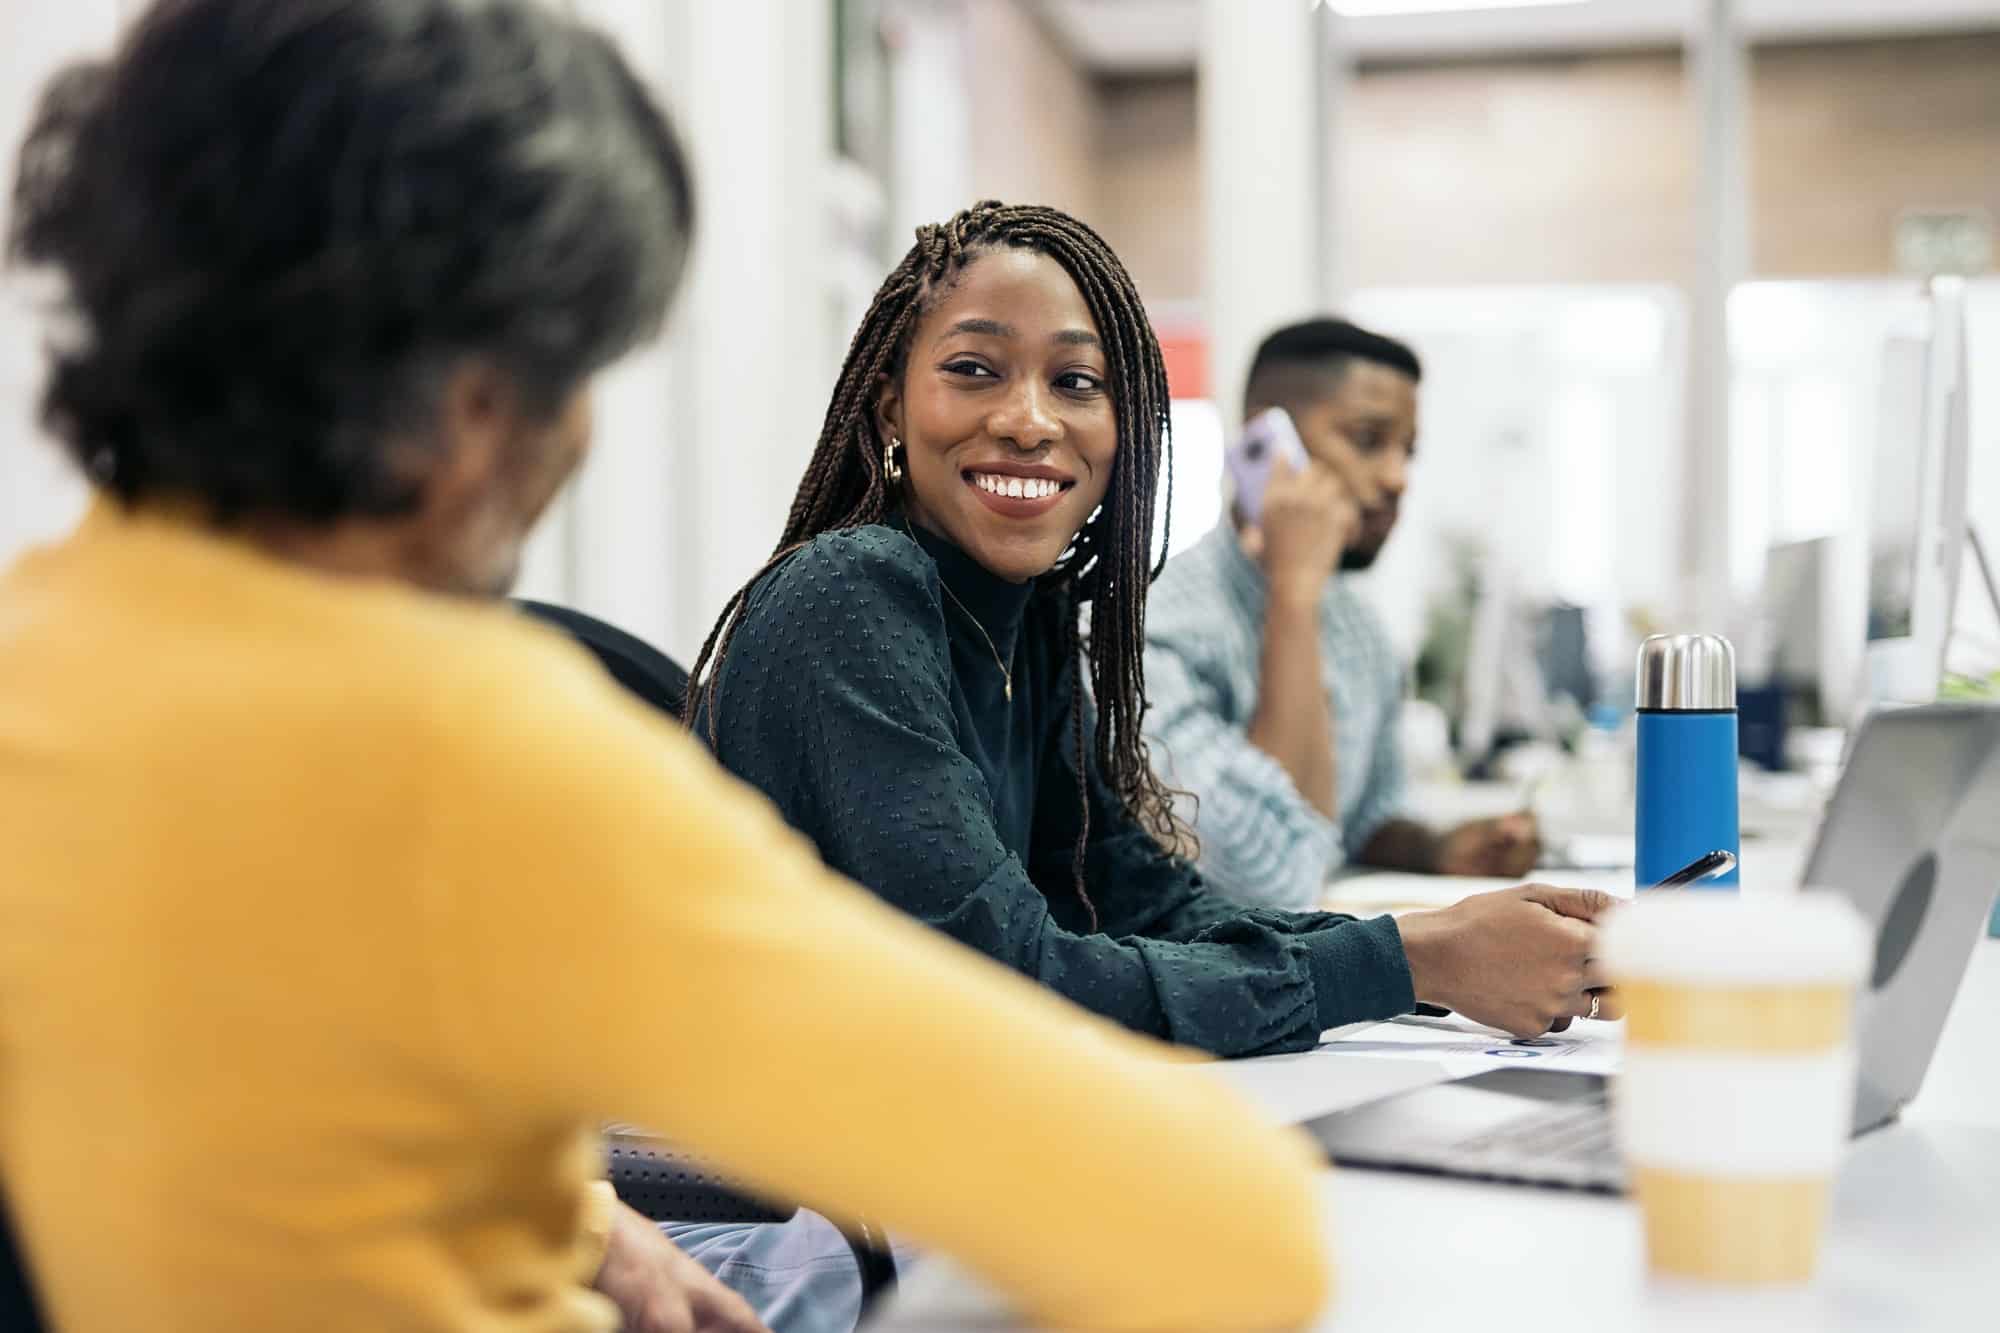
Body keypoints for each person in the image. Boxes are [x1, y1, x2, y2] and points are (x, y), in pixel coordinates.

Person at [0, 5, 1336, 1332]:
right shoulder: (471, 745)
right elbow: (1239, 1233)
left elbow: (245, 1055)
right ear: (476, 405)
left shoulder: (43, 660)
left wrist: (592, 1230)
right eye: (578, 367)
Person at [691, 206, 1614, 1056]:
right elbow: (1006, 986)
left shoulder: (1033, 620)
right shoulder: (853, 594)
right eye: (974, 369)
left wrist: (1442, 945)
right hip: (797, 1211)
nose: (1027, 419)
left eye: (1076, 381)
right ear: (891, 403)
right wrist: (1416, 962)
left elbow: (1146, 904)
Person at [1144, 318, 1542, 912]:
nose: (1397, 477)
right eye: (1367, 439)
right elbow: (1270, 879)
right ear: (1265, 445)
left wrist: (1438, 850)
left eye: (1408, 451)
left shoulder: (1361, 631)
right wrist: (1294, 596)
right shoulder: (1151, 631)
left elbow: (1355, 824)